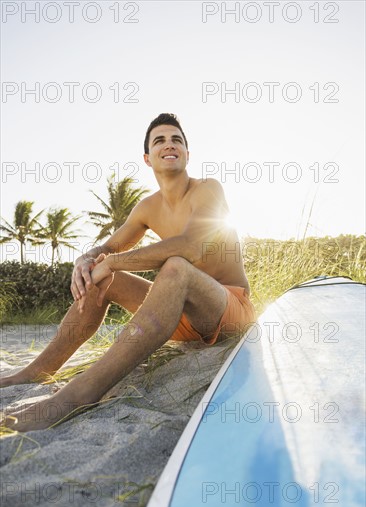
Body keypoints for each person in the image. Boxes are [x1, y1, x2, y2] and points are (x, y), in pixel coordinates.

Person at [0, 113, 255, 432]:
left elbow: (191, 247)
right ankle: (37, 371)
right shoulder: (148, 206)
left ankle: (79, 394)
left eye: (177, 139)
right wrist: (87, 259)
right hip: (180, 317)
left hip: (228, 310)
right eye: (159, 140)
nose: (169, 144)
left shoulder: (208, 189)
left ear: (188, 154)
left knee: (177, 267)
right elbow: (107, 248)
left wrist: (114, 261)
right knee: (100, 276)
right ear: (148, 158)